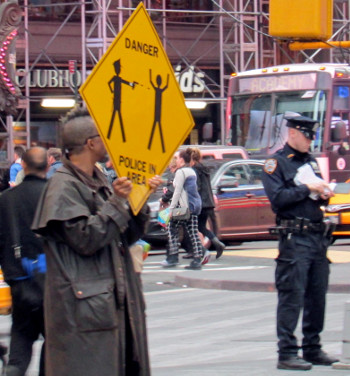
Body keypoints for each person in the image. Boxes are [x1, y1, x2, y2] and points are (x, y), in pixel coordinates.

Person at [32, 107, 161, 376]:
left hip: (110, 303)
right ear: (90, 143)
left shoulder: (99, 177)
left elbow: (125, 235)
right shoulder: (63, 186)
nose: (108, 142)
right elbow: (87, 238)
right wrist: (118, 201)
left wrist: (139, 198)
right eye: (103, 137)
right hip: (84, 313)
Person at [261, 115, 339, 371]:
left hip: (317, 237)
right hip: (295, 238)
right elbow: (278, 199)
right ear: (293, 133)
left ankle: (312, 348)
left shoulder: (310, 161)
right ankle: (286, 352)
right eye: (306, 136)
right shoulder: (276, 163)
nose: (310, 141)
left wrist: (324, 193)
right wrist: (307, 188)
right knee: (292, 296)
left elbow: (316, 199)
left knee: (317, 295)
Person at [0, 147, 48, 376]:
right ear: (48, 165)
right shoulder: (54, 194)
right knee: (55, 339)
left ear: (24, 166)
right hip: (53, 280)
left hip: (20, 279)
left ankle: (13, 370)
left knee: (21, 334)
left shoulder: (7, 199)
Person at [160, 148, 204, 270]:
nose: (177, 160)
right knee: (193, 231)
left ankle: (173, 257)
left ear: (182, 159)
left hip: (184, 207)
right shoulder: (192, 171)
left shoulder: (180, 172)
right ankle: (197, 259)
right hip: (195, 205)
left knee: (171, 226)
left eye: (178, 158)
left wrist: (171, 209)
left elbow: (177, 191)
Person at [190, 147, 225, 259]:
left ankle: (200, 251)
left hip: (200, 203)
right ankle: (217, 243)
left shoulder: (194, 170)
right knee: (200, 227)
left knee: (193, 227)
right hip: (208, 202)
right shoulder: (204, 169)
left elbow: (197, 187)